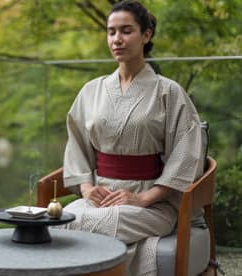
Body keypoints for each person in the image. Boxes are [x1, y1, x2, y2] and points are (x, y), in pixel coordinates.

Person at [61, 1, 205, 275]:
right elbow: (77, 144)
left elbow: (187, 153)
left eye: (126, 31)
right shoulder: (91, 90)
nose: (117, 39)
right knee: (64, 218)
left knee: (103, 222)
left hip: (152, 203)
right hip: (100, 195)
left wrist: (144, 198)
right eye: (111, 31)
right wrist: (87, 189)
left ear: (146, 35)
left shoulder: (169, 92)